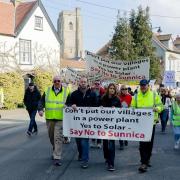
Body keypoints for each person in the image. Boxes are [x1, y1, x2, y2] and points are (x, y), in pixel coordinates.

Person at [131, 79, 163, 173]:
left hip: (151, 123)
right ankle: (143, 163)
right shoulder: (136, 96)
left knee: (149, 144)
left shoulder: (154, 95)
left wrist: (156, 108)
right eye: (141, 85)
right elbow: (132, 107)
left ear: (148, 86)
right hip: (140, 124)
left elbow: (161, 106)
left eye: (144, 85)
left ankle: (147, 159)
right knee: (142, 144)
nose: (143, 87)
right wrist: (132, 110)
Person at [38, 76, 70, 166]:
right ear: (53, 82)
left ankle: (57, 157)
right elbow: (41, 101)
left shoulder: (66, 91)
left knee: (58, 138)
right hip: (50, 118)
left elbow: (70, 102)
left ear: (61, 82)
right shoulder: (47, 90)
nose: (57, 82)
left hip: (60, 118)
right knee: (51, 137)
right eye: (55, 81)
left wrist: (67, 105)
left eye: (58, 81)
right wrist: (40, 109)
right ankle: (55, 149)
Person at [67, 77, 97, 169]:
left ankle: (85, 160)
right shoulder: (74, 94)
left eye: (85, 82)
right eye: (82, 82)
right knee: (78, 141)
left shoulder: (92, 94)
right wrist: (72, 105)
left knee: (85, 141)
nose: (83, 83)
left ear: (87, 83)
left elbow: (97, 106)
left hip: (87, 123)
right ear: (79, 83)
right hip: (76, 123)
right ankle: (81, 153)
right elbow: (68, 103)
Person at [100, 83, 121, 171]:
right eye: (110, 88)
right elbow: (97, 109)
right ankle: (106, 157)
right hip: (104, 124)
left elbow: (120, 111)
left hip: (113, 124)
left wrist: (115, 109)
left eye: (113, 88)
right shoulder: (103, 98)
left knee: (111, 143)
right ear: (108, 89)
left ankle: (111, 163)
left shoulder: (117, 99)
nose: (112, 89)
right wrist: (100, 107)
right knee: (105, 143)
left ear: (115, 90)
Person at [90, 80, 105, 148]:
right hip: (93, 113)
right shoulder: (91, 92)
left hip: (101, 114)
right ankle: (93, 141)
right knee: (93, 127)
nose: (96, 85)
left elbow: (105, 102)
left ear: (100, 85)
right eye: (95, 84)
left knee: (99, 128)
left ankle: (99, 142)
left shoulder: (103, 93)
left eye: (98, 84)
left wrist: (102, 106)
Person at [118, 85, 132, 150]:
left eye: (126, 89)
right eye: (123, 89)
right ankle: (121, 143)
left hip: (127, 116)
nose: (124, 90)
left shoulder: (130, 96)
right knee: (120, 129)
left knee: (126, 129)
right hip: (119, 116)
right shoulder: (118, 96)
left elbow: (132, 105)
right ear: (121, 90)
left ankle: (126, 138)